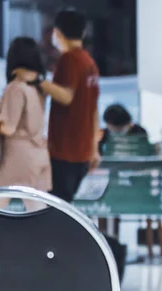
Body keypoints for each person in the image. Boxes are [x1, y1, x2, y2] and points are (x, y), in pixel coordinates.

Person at [16, 8, 100, 202]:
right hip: (82, 151)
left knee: (56, 207)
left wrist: (36, 79)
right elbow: (93, 108)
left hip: (65, 149)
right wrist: (93, 147)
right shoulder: (90, 63)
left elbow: (66, 96)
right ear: (83, 32)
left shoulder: (69, 59)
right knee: (65, 205)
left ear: (58, 33)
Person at [0, 37, 50, 210]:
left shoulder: (15, 88)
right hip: (37, 154)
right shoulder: (39, 88)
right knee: (37, 207)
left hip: (15, 157)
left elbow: (8, 127)